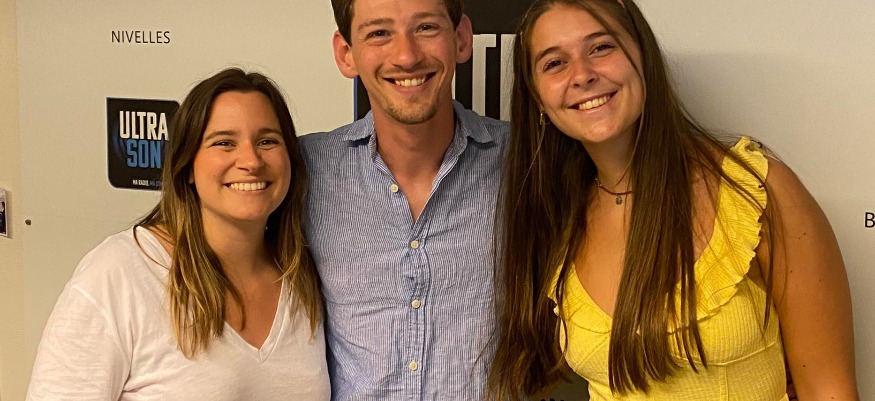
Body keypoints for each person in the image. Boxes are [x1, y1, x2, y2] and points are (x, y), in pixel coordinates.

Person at [487, 0, 859, 400]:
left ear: (643, 57)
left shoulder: (755, 191)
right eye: (555, 63)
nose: (582, 75)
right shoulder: (557, 216)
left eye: (601, 47)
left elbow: (829, 390)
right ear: (538, 99)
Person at [27, 68, 330, 400]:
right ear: (187, 167)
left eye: (267, 141)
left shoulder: (304, 275)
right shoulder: (120, 274)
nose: (251, 161)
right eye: (224, 143)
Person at [299, 0, 509, 399]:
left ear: (462, 38)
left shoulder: (527, 162)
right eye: (379, 33)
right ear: (346, 54)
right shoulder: (304, 170)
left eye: (426, 27)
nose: (407, 56)